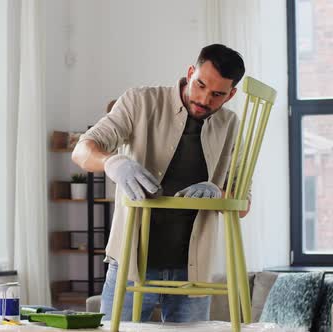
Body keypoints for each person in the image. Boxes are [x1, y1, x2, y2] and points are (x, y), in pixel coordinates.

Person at [71, 44, 251, 323]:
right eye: (200, 85)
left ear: (231, 94)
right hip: (131, 263)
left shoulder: (230, 125)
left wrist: (217, 192)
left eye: (217, 94)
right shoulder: (139, 101)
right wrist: (112, 162)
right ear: (190, 73)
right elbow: (82, 150)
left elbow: (242, 205)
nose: (204, 99)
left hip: (193, 270)